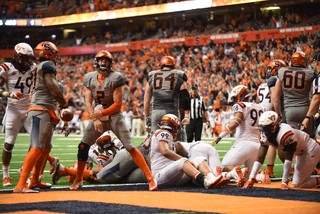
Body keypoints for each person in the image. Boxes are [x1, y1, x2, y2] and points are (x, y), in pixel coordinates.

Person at [70, 50, 157, 191]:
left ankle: (150, 178)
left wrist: (100, 114)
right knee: (83, 146)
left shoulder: (116, 77)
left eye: (106, 60)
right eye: (101, 60)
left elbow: (117, 103)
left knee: (131, 148)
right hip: (99, 116)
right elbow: (87, 101)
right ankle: (79, 180)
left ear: (110, 63)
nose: (103, 62)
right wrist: (95, 116)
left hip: (115, 116)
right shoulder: (89, 78)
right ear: (96, 62)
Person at [14, 41, 68, 193]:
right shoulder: (47, 66)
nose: (55, 57)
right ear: (48, 53)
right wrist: (64, 104)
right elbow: (53, 89)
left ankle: (35, 180)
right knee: (37, 147)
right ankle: (21, 184)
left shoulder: (38, 68)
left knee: (45, 148)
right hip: (41, 110)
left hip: (46, 109)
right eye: (54, 53)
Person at [243, 111, 320, 189]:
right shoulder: (265, 134)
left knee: (298, 184)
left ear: (275, 125)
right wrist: (251, 178)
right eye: (262, 128)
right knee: (299, 177)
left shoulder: (285, 133)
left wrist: (284, 181)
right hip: (299, 152)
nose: (264, 132)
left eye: (267, 128)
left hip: (310, 150)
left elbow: (288, 160)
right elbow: (260, 157)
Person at [212, 85, 269, 185]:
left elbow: (235, 122)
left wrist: (220, 135)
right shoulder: (261, 108)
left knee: (223, 167)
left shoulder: (241, 105)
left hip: (244, 144)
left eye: (234, 98)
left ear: (240, 96)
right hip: (258, 146)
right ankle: (260, 176)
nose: (234, 101)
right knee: (249, 175)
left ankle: (235, 173)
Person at [150, 114, 224, 188]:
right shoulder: (164, 133)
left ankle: (211, 178)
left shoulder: (163, 136)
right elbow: (165, 151)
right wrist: (185, 161)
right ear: (172, 125)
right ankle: (204, 179)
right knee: (183, 161)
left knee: (200, 159)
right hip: (161, 175)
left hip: (171, 176)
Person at [53, 131, 153, 185]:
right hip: (119, 161)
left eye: (107, 141)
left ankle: (73, 169)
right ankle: (68, 170)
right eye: (103, 142)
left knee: (111, 173)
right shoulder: (96, 152)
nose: (105, 144)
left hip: (122, 160)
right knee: (102, 175)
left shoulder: (116, 143)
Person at [0, 43, 34, 187]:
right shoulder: (6, 68)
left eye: (29, 57)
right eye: (26, 57)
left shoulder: (33, 68)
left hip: (29, 109)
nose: (29, 60)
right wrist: (10, 94)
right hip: (13, 109)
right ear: (18, 57)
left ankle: (24, 170)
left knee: (36, 142)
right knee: (9, 142)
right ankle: (6, 175)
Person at [144, 56, 191, 141]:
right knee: (177, 141)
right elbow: (185, 97)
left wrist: (147, 117)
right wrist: (187, 115)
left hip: (156, 113)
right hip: (172, 112)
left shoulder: (151, 75)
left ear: (161, 64)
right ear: (173, 64)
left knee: (154, 140)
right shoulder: (179, 74)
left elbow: (146, 99)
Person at [273, 51, 316, 137]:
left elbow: (275, 97)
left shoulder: (282, 71)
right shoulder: (310, 73)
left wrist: (278, 114)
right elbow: (314, 95)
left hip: (289, 111)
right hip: (305, 110)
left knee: (293, 141)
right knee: (309, 141)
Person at [260, 59, 286, 178]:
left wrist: (272, 112)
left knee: (272, 142)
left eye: (271, 69)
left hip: (277, 112)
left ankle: (270, 170)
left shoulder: (273, 80)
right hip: (286, 111)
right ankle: (290, 167)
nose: (269, 71)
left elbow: (274, 98)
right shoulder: (285, 78)